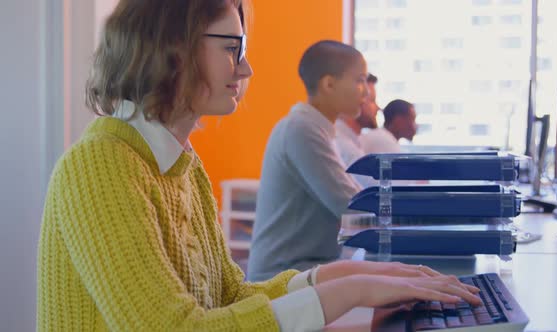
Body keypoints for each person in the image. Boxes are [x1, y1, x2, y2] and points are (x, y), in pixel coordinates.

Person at [37, 2, 481, 331]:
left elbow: (230, 295)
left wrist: (344, 275)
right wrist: (353, 292)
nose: (245, 68)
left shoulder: (183, 166)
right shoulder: (99, 165)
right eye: (232, 49)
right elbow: (173, 327)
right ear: (172, 50)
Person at [334, 73, 380, 187]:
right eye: (372, 101)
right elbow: (376, 189)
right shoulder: (342, 144)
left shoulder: (353, 140)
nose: (378, 108)